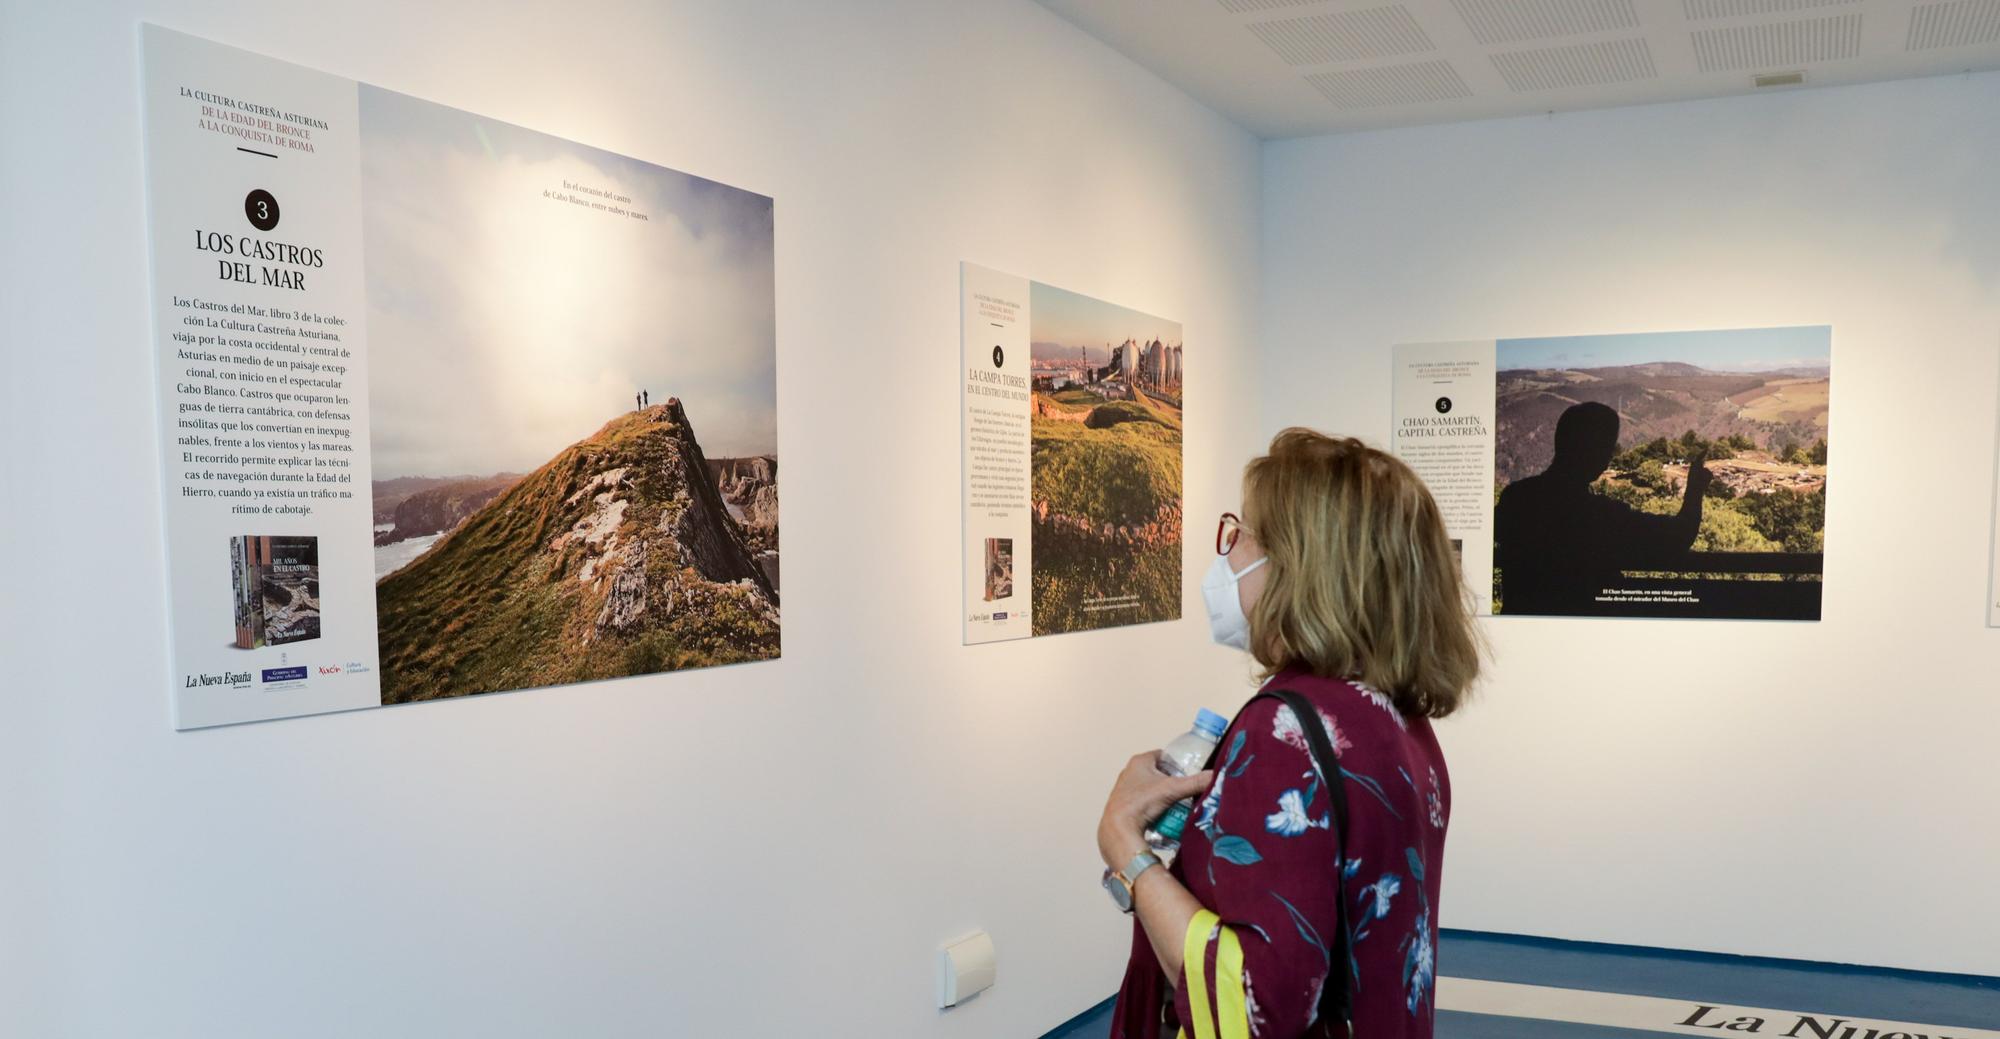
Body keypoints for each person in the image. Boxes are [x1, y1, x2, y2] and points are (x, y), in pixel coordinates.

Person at [1100, 429, 1481, 1039]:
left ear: (1297, 565)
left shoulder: (1285, 730)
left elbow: (1255, 1004)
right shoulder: (1394, 717)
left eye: (1242, 532)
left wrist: (1125, 847)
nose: (1227, 554)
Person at [1493, 402, 1711, 615]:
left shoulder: (1514, 499)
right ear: (1595, 453)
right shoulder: (1602, 517)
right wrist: (1695, 489)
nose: (1610, 456)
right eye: (1608, 447)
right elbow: (1679, 536)